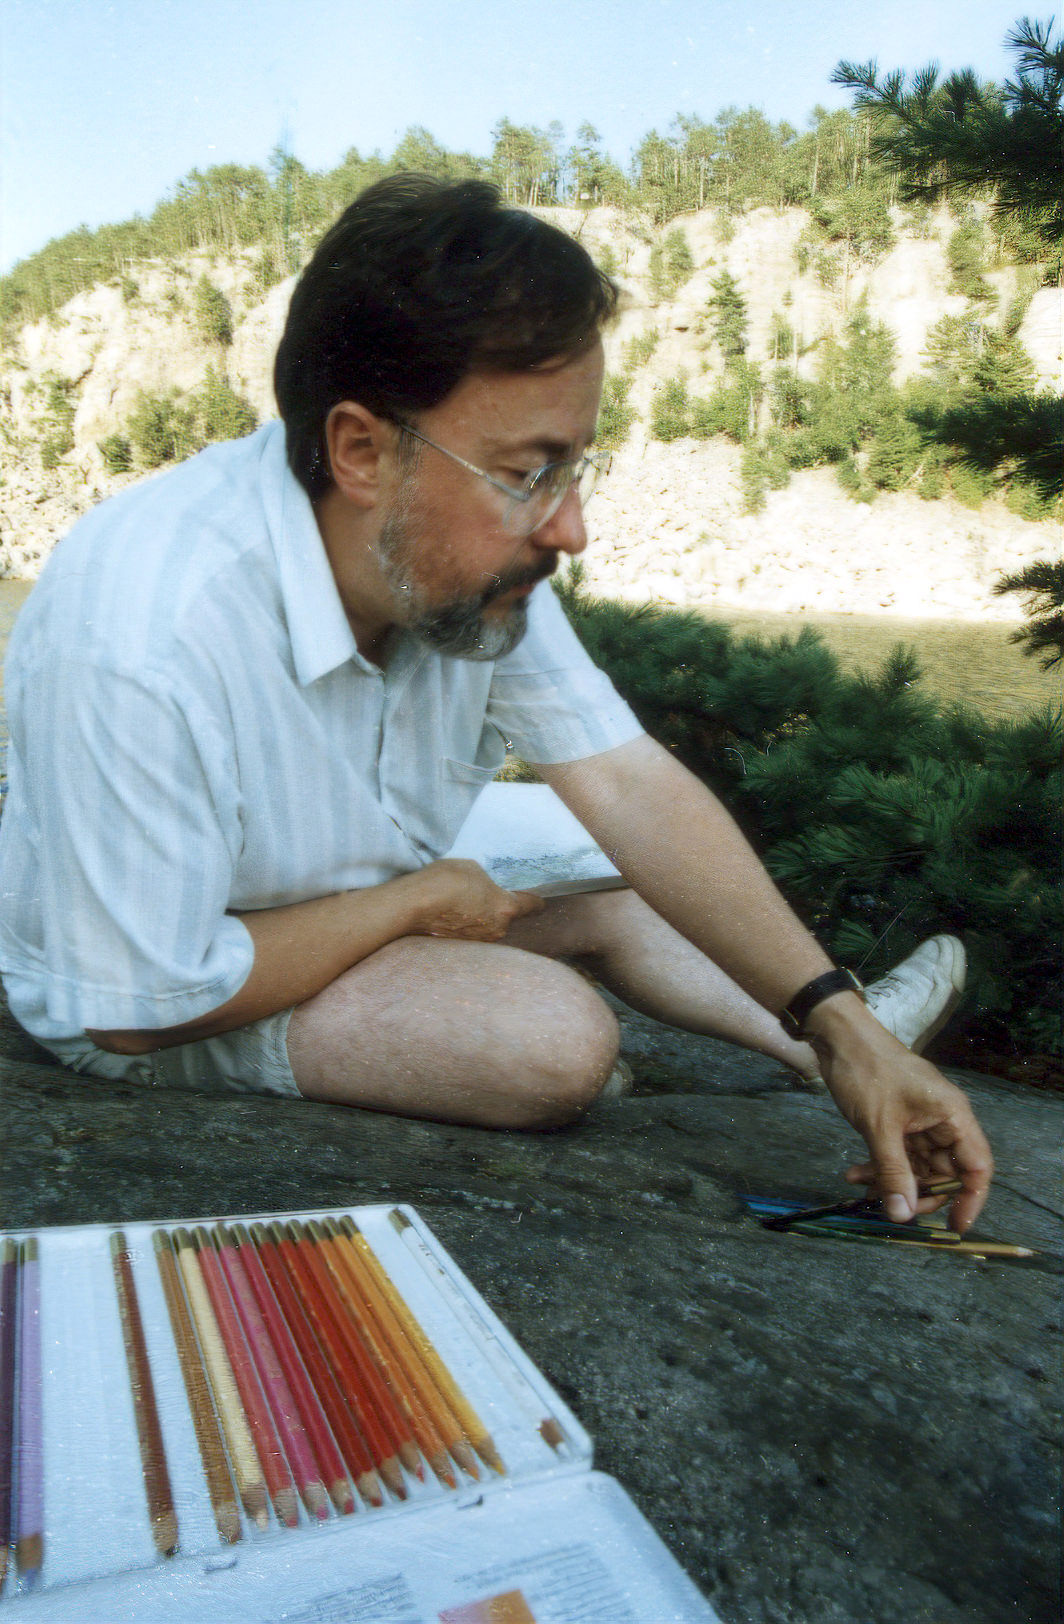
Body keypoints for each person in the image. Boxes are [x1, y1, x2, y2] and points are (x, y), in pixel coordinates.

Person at [0, 176, 992, 1232]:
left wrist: (844, 1031)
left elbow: (626, 783)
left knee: (621, 887)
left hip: (332, 914)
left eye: (575, 469)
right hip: (149, 996)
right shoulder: (143, 630)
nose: (571, 531)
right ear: (362, 450)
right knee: (550, 1040)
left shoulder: (454, 557)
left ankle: (839, 1043)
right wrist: (413, 905)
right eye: (530, 473)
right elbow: (139, 1004)